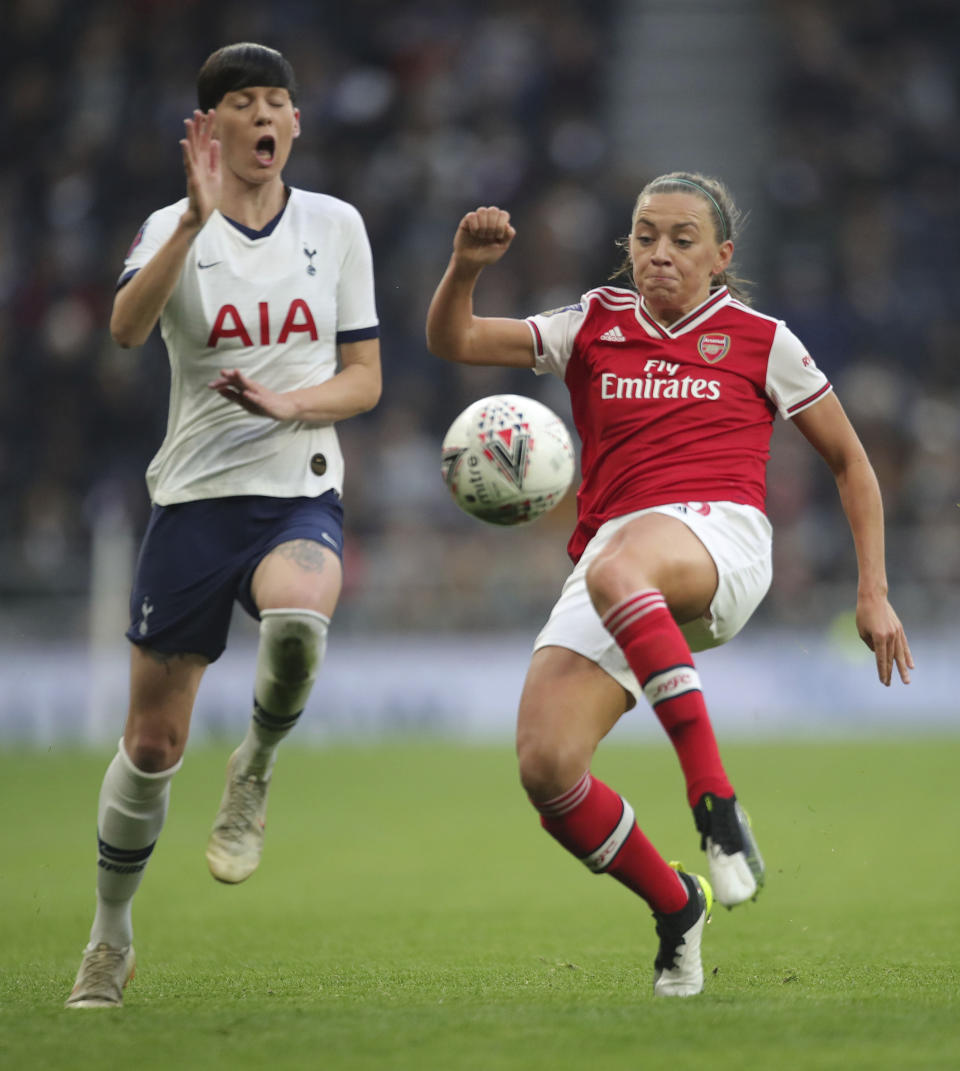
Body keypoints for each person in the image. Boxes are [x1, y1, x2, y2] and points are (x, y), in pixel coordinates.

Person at [425, 174, 913, 997]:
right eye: (645, 235)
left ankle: (716, 803)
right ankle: (676, 905)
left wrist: (873, 589)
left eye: (682, 239)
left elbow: (850, 461)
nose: (659, 252)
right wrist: (464, 266)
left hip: (720, 537)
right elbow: (456, 340)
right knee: (548, 767)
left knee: (622, 565)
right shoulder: (591, 323)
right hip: (617, 565)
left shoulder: (763, 339)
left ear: (721, 256)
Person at [65, 43, 381, 1008]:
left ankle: (257, 766)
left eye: (280, 102)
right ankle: (109, 938)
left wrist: (293, 407)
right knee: (153, 745)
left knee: (298, 622)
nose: (266, 118)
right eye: (245, 103)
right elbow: (122, 331)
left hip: (300, 487)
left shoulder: (336, 225)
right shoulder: (172, 225)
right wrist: (191, 225)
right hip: (194, 502)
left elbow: (364, 379)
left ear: (296, 126)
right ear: (210, 130)